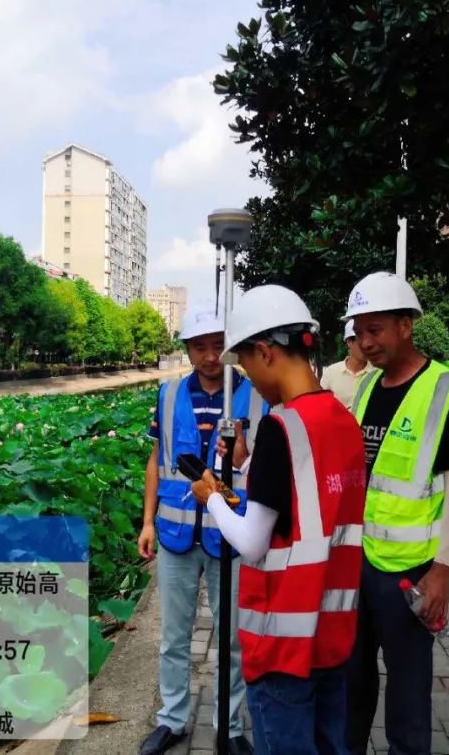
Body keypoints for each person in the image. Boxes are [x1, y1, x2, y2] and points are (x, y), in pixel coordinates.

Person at [189, 285, 367, 755]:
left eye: (247, 365)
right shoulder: (343, 420)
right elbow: (309, 496)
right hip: (331, 635)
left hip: (282, 640)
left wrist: (212, 499)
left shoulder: (280, 426)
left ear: (266, 352)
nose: (250, 379)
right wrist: (249, 465)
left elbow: (252, 541)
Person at [341, 272, 449, 755]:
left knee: (408, 694)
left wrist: (442, 571)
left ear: (405, 325)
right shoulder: (368, 387)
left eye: (375, 330)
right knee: (351, 685)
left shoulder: (444, 390)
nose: (365, 342)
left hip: (410, 573)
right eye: (359, 332)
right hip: (359, 562)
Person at [138, 303, 266, 755]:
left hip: (231, 536)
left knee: (232, 640)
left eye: (218, 346)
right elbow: (156, 459)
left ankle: (227, 726)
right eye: (200, 347)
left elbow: (264, 467)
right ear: (188, 350)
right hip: (175, 535)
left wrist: (243, 453)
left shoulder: (255, 397)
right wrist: (147, 521)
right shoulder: (169, 394)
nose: (210, 356)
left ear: (230, 348)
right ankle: (172, 720)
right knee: (174, 637)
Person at [320, 319, 375, 408]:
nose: (366, 346)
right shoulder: (331, 373)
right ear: (349, 342)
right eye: (360, 340)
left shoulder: (377, 372)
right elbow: (321, 405)